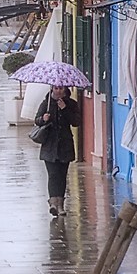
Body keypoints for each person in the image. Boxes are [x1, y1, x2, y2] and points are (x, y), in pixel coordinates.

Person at [33, 86, 80, 216]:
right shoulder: (46, 103)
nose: (58, 91)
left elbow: (76, 122)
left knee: (62, 176)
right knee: (53, 175)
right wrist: (43, 119)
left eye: (60, 88)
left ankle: (60, 206)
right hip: (50, 145)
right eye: (55, 88)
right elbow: (37, 120)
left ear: (65, 90)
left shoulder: (71, 104)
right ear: (52, 89)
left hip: (65, 145)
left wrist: (64, 109)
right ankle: (53, 203)